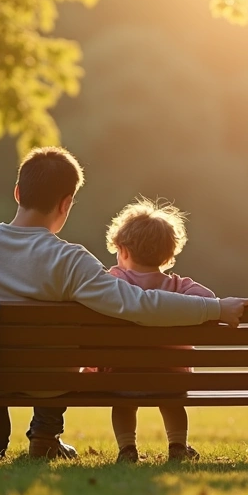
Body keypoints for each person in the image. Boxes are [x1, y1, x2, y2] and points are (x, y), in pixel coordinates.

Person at [0, 147, 248, 459]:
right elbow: (139, 305)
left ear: (17, 192)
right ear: (66, 203)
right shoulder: (71, 261)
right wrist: (216, 308)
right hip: (50, 385)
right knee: (64, 321)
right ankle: (45, 435)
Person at [103, 198, 213, 463]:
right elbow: (208, 299)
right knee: (173, 400)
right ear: (168, 256)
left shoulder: (113, 283)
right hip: (171, 380)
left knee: (123, 405)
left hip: (121, 380)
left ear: (123, 250)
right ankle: (177, 446)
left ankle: (127, 449)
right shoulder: (178, 286)